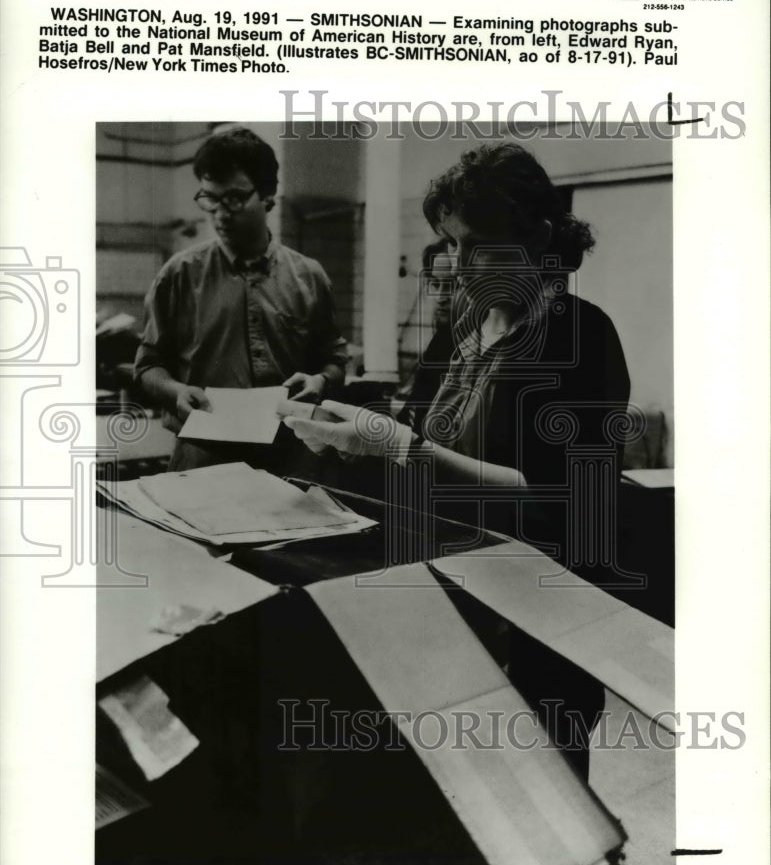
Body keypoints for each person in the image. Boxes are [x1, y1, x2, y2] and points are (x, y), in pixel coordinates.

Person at [283, 142, 631, 778]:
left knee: (545, 792)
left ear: (538, 237)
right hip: (447, 590)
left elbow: (565, 502)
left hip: (540, 615)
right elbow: (419, 436)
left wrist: (407, 447)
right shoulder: (463, 327)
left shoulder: (583, 337)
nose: (457, 264)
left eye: (475, 244)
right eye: (449, 243)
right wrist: (358, 435)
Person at [134, 127, 348, 472]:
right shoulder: (179, 275)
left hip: (291, 460)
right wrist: (176, 391)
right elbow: (148, 366)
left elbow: (334, 359)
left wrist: (319, 381)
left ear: (267, 196)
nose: (220, 213)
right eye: (210, 199)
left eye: (233, 198)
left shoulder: (309, 276)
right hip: (202, 460)